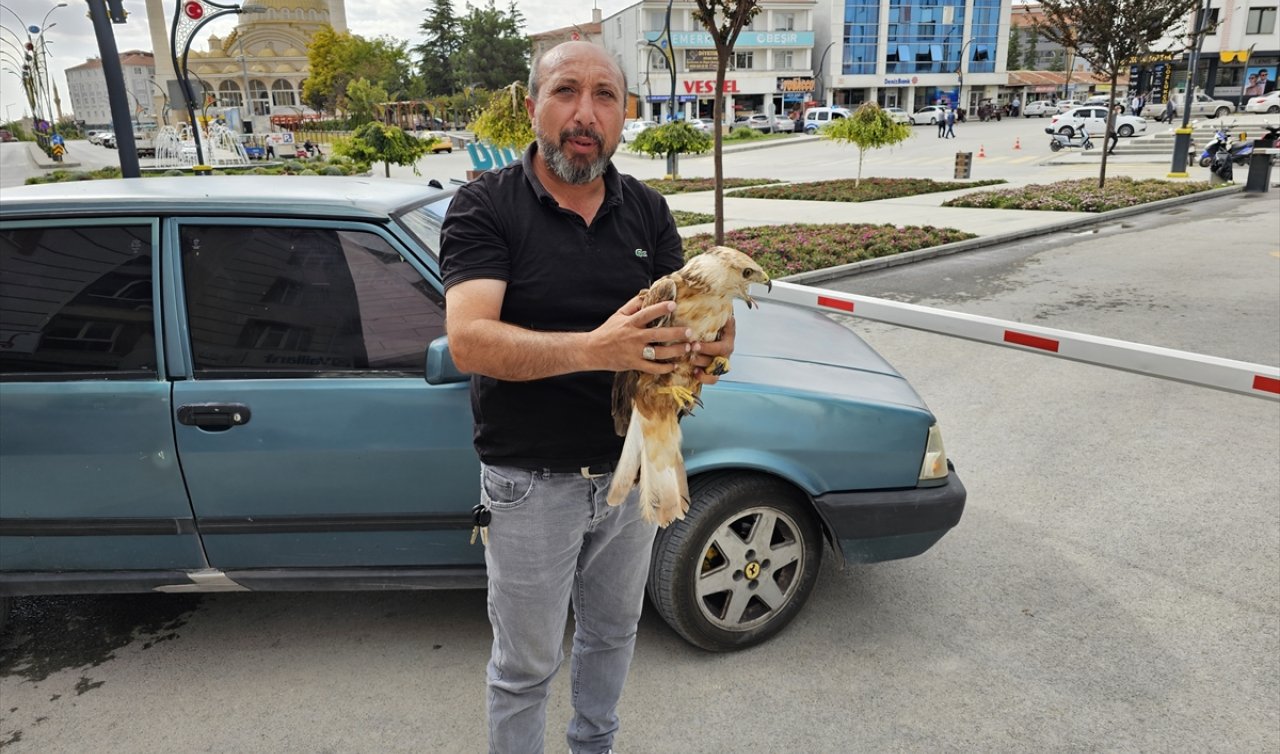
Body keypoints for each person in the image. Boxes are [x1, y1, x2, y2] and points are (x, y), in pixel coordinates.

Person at [439, 41, 734, 754]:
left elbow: (673, 328)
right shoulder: (485, 206)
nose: (586, 113)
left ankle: (593, 745)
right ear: (532, 106)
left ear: (624, 115)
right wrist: (595, 349)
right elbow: (469, 342)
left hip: (632, 470)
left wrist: (709, 348)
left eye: (605, 96)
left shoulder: (647, 210)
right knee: (525, 665)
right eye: (566, 91)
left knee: (612, 634)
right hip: (529, 481)